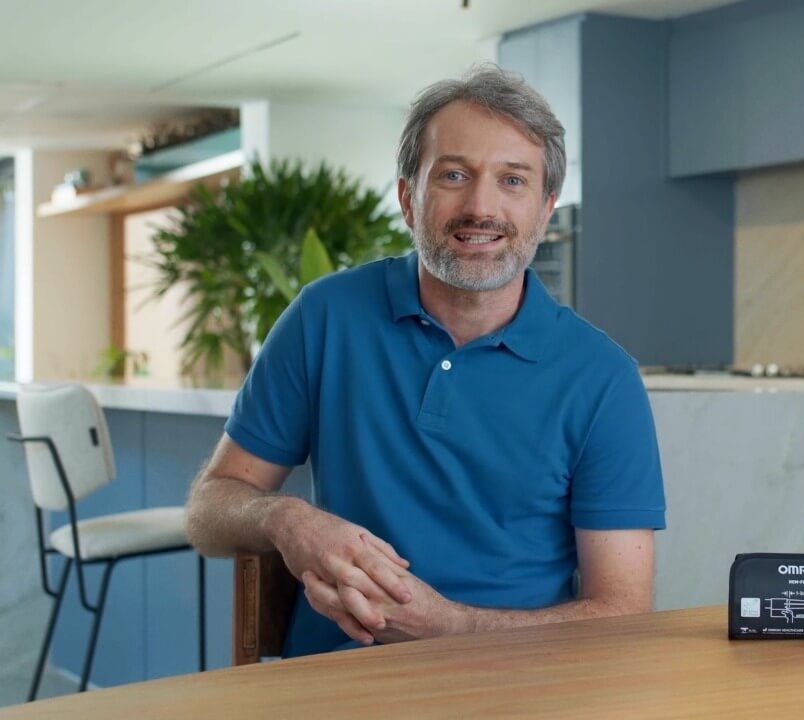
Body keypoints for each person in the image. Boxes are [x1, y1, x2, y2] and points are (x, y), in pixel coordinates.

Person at [185, 65, 666, 656]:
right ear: (409, 198)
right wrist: (287, 519)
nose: (480, 206)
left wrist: (451, 627)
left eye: (512, 181)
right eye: (454, 174)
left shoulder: (603, 379)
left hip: (515, 685)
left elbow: (622, 611)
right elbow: (208, 513)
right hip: (333, 683)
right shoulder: (325, 317)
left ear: (545, 210)